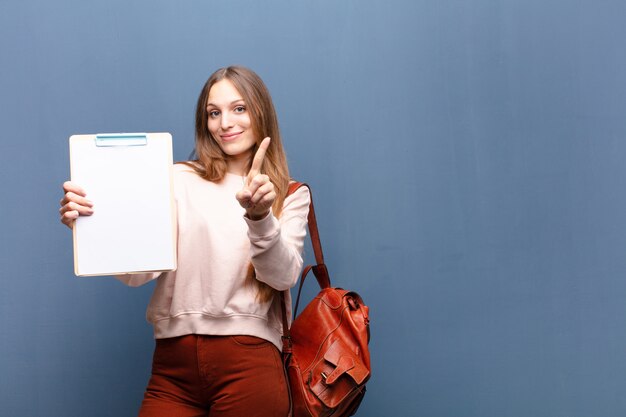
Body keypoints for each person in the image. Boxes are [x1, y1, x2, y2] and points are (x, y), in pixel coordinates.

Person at [59, 66, 310, 417]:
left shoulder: (289, 194)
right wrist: (89, 224)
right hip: (172, 368)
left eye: (239, 108)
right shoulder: (176, 179)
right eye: (213, 112)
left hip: (249, 364)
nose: (225, 123)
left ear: (261, 112)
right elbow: (136, 273)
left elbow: (281, 277)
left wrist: (259, 215)